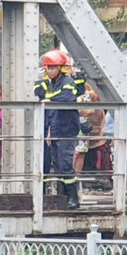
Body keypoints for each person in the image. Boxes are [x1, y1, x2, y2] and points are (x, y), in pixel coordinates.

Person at [35, 49, 82, 209]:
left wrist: (50, 99)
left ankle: (73, 199)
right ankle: (65, 199)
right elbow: (39, 93)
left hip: (66, 130)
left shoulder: (67, 81)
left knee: (66, 165)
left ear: (60, 68)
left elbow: (69, 97)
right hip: (55, 129)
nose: (50, 71)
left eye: (53, 67)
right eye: (48, 68)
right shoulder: (51, 83)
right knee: (58, 165)